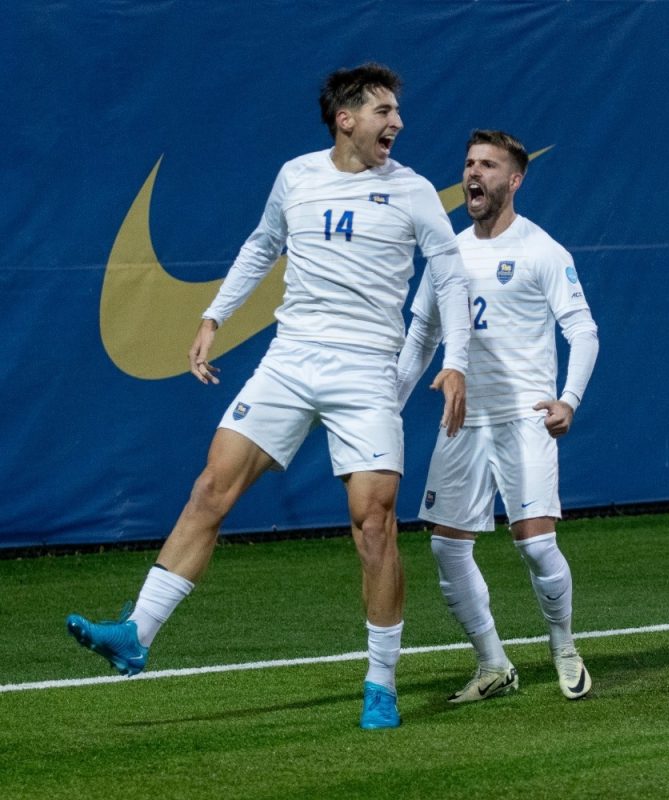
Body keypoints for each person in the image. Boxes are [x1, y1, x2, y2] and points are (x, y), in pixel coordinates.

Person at [66, 63, 471, 730]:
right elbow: (261, 247)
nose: (396, 122)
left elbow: (450, 278)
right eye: (382, 111)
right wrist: (212, 319)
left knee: (373, 523)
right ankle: (136, 633)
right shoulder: (296, 177)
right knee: (209, 491)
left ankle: (381, 682)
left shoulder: (415, 191)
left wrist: (454, 362)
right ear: (345, 119)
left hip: (366, 368)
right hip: (289, 360)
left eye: (396, 111)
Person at [395, 129, 599, 703]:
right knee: (446, 547)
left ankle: (563, 645)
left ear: (515, 179)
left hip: (523, 418)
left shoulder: (543, 250)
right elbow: (420, 340)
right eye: (468, 164)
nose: (473, 174)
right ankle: (493, 664)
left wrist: (569, 399)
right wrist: (389, 403)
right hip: (463, 422)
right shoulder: (448, 252)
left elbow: (582, 331)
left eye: (488, 165)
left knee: (534, 545)